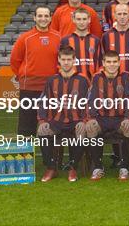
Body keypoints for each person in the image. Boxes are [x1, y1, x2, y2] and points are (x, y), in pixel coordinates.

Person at [36, 46, 88, 182]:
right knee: (42, 131)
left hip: (76, 121)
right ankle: (51, 168)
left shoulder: (83, 80)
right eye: (63, 59)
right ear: (59, 60)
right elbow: (43, 102)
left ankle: (73, 168)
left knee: (82, 131)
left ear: (74, 60)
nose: (66, 62)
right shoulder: (51, 80)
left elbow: (90, 103)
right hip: (56, 122)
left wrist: (84, 121)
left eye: (69, 59)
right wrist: (42, 121)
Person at [10, 6, 61, 136]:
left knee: (52, 124)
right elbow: (15, 60)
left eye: (46, 16)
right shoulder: (25, 38)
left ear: (50, 18)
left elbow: (63, 61)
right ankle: (25, 155)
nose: (43, 19)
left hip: (52, 88)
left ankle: (51, 156)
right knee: (27, 125)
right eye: (40, 16)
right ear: (34, 18)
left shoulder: (59, 37)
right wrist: (23, 76)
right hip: (29, 88)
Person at [85, 50, 129, 181]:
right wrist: (92, 118)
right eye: (108, 62)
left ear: (119, 63)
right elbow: (91, 99)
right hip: (102, 118)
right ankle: (98, 167)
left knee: (128, 127)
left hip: (119, 118)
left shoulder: (126, 77)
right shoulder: (97, 77)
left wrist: (127, 118)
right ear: (103, 63)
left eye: (114, 62)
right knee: (91, 127)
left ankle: (124, 167)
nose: (111, 65)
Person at [101, 4, 129, 76]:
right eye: (119, 14)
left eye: (125, 14)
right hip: (113, 79)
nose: (122, 17)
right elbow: (103, 59)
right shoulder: (106, 36)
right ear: (114, 15)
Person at [60, 8, 102, 80]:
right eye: (78, 19)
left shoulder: (96, 41)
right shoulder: (65, 41)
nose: (81, 22)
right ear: (73, 20)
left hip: (92, 83)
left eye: (84, 19)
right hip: (71, 82)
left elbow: (100, 64)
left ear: (89, 20)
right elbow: (60, 64)